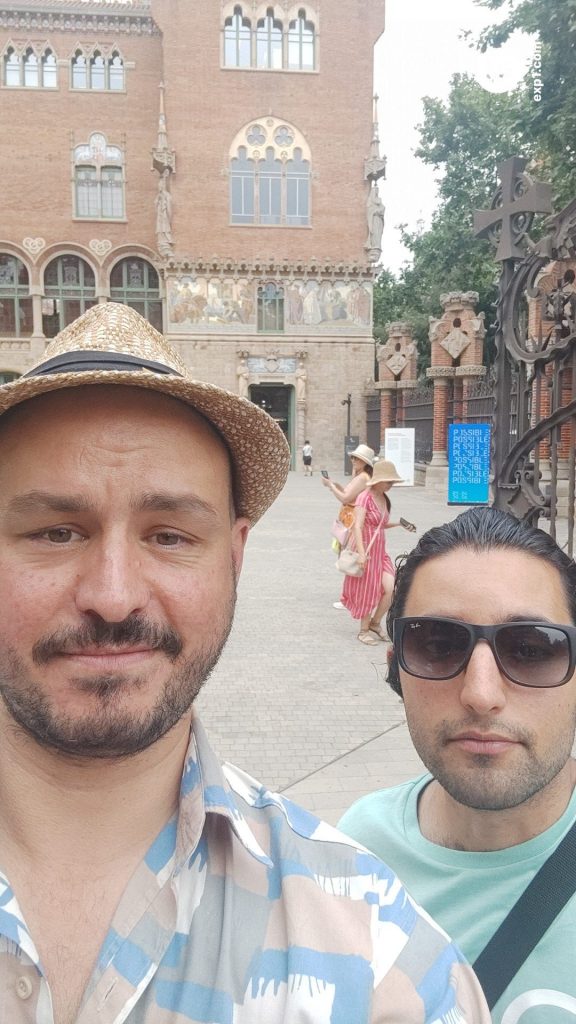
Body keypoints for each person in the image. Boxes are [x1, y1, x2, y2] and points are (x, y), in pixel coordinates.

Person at [0, 303, 490, 1024]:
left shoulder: (382, 962)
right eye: (55, 531)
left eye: (169, 536)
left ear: (234, 557)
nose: (112, 596)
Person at [339, 506, 576, 1023]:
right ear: (396, 670)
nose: (481, 694)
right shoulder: (356, 854)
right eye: (438, 645)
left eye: (533, 648)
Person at [342, 459, 414, 646]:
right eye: (389, 481)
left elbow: (379, 525)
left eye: (392, 482)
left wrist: (399, 523)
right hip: (366, 549)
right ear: (379, 480)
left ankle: (375, 623)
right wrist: (362, 553)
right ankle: (363, 630)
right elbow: (357, 526)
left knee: (391, 588)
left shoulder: (384, 498)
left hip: (381, 551)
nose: (391, 485)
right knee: (367, 589)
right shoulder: (364, 497)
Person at [322, 443, 374, 609]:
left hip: (352, 521)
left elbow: (345, 498)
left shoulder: (362, 477)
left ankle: (349, 598)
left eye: (358, 458)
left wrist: (331, 487)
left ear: (365, 462)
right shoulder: (359, 475)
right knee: (346, 555)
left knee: (349, 557)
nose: (354, 460)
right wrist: (335, 485)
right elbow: (347, 493)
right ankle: (350, 597)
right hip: (347, 518)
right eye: (353, 457)